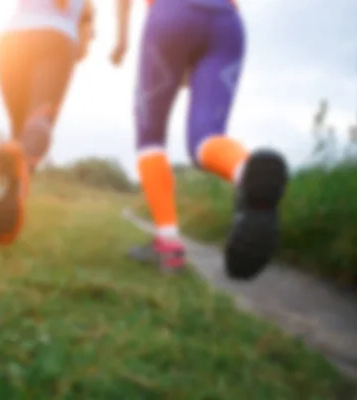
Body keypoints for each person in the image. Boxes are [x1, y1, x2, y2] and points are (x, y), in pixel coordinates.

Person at [111, 0, 289, 280]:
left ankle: (167, 243)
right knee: (207, 137)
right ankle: (246, 173)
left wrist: (121, 39)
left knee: (150, 137)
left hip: (170, 16)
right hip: (226, 22)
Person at [0, 0, 95, 245]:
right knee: (39, 117)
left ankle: (7, 202)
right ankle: (16, 168)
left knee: (19, 131)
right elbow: (84, 45)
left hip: (9, 39)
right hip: (54, 38)